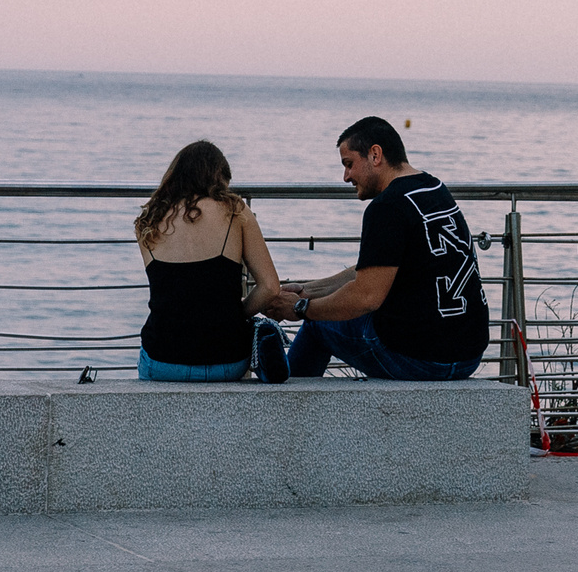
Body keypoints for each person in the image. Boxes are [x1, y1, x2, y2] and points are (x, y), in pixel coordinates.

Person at [268, 116, 489, 380]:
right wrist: (308, 291)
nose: (346, 177)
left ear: (375, 155)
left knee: (317, 325)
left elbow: (365, 297)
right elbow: (375, 271)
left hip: (422, 360)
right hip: (468, 355)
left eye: (349, 164)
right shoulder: (434, 188)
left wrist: (300, 308)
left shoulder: (387, 206)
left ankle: (285, 404)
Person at [134, 140, 290, 383]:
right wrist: (235, 313)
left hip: (162, 360)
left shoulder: (148, 219)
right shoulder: (235, 211)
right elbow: (270, 287)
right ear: (219, 179)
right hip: (227, 361)